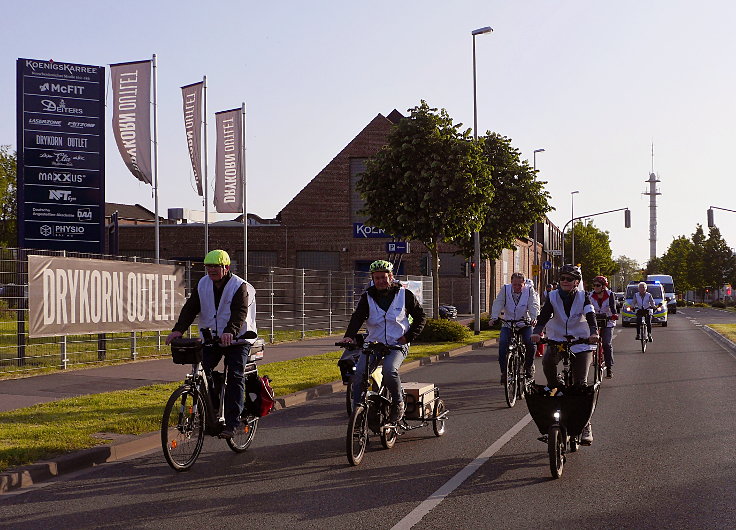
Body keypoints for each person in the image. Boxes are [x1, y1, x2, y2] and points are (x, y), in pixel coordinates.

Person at [165, 249, 257, 439]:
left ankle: (232, 423)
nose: (211, 270)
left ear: (226, 267)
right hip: (212, 338)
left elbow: (239, 313)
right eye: (208, 266)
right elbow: (191, 308)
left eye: (216, 266)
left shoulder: (239, 286)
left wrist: (230, 332)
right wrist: (178, 330)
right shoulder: (203, 283)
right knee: (202, 372)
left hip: (238, 338)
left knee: (234, 375)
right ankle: (213, 410)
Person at [342, 260, 427, 422]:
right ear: (372, 279)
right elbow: (357, 317)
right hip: (374, 344)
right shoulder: (368, 296)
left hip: (397, 344)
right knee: (359, 373)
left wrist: (408, 337)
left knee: (389, 371)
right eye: (377, 278)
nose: (381, 281)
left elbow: (421, 318)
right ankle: (357, 410)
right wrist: (349, 335)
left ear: (391, 276)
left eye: (384, 277)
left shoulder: (404, 294)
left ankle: (398, 403)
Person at [531, 264, 598, 445]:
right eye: (562, 279)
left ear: (576, 282)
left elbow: (590, 316)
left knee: (581, 385)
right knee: (547, 362)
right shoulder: (552, 296)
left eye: (569, 279)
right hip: (558, 340)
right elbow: (544, 316)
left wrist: (593, 333)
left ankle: (586, 425)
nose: (565, 282)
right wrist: (537, 332)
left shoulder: (584, 297)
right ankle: (556, 386)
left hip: (581, 342)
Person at [490, 272, 540, 382]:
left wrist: (534, 317)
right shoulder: (505, 289)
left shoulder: (529, 290)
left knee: (530, 343)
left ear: (524, 284)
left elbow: (533, 305)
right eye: (515, 284)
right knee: (503, 344)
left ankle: (528, 367)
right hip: (509, 323)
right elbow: (498, 302)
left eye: (520, 285)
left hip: (524, 323)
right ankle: (504, 372)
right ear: (511, 283)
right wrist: (494, 317)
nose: (517, 287)